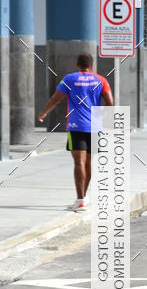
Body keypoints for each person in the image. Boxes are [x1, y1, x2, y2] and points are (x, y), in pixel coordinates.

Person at [37, 54, 114, 211]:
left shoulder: (70, 79)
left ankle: (80, 200)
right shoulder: (101, 80)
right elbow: (110, 103)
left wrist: (43, 113)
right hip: (94, 127)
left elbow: (55, 99)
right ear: (91, 66)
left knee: (79, 162)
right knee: (88, 162)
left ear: (77, 65)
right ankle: (83, 198)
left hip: (76, 125)